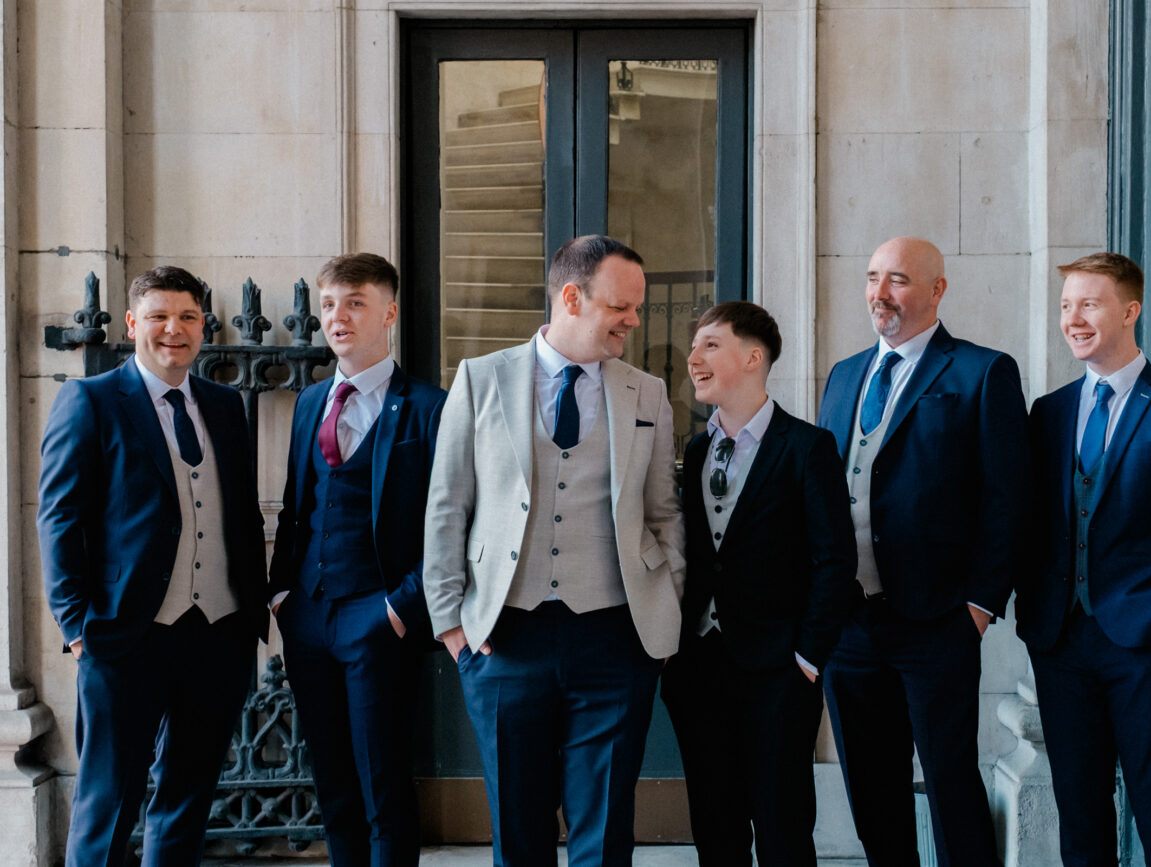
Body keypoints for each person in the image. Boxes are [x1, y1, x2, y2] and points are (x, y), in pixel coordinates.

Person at [423, 234, 685, 867]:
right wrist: (451, 625)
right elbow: (447, 505)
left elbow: (664, 513)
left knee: (605, 831)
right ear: (572, 297)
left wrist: (662, 599)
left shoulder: (646, 393)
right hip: (504, 638)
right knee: (519, 827)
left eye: (638, 308)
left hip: (616, 637)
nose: (633, 320)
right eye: (621, 306)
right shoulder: (481, 379)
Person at [37, 265, 267, 866]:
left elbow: (241, 513)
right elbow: (58, 519)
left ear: (203, 327)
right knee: (108, 800)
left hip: (218, 632)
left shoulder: (223, 405)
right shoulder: (89, 401)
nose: (175, 330)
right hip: (122, 636)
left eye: (188, 317)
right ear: (134, 323)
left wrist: (253, 613)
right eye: (160, 316)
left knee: (186, 798)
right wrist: (76, 626)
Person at [816, 236, 1029, 867]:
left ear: (937, 290)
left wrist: (980, 605)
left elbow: (1007, 500)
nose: (880, 293)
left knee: (950, 786)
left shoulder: (981, 371)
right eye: (873, 276)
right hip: (850, 626)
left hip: (938, 622)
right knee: (872, 794)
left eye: (899, 279)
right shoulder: (845, 374)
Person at [1015, 252, 1151, 866]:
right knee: (1079, 814)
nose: (1072, 319)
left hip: (1143, 642)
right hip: (1060, 642)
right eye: (1065, 306)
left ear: (1130, 311)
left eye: (1089, 304)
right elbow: (1032, 524)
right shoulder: (1048, 413)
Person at [661, 301, 860, 865]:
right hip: (700, 667)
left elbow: (834, 561)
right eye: (695, 346)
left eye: (709, 345)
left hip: (779, 671)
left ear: (753, 357)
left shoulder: (806, 448)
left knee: (783, 827)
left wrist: (807, 657)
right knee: (715, 827)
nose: (693, 358)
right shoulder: (697, 449)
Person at [268, 253, 446, 866]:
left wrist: (400, 607)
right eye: (327, 305)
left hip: (380, 619)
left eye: (354, 303)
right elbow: (296, 506)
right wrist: (282, 597)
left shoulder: (429, 408)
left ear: (389, 312)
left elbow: (450, 526)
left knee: (383, 788)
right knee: (334, 788)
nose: (336, 318)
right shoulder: (311, 401)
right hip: (310, 619)